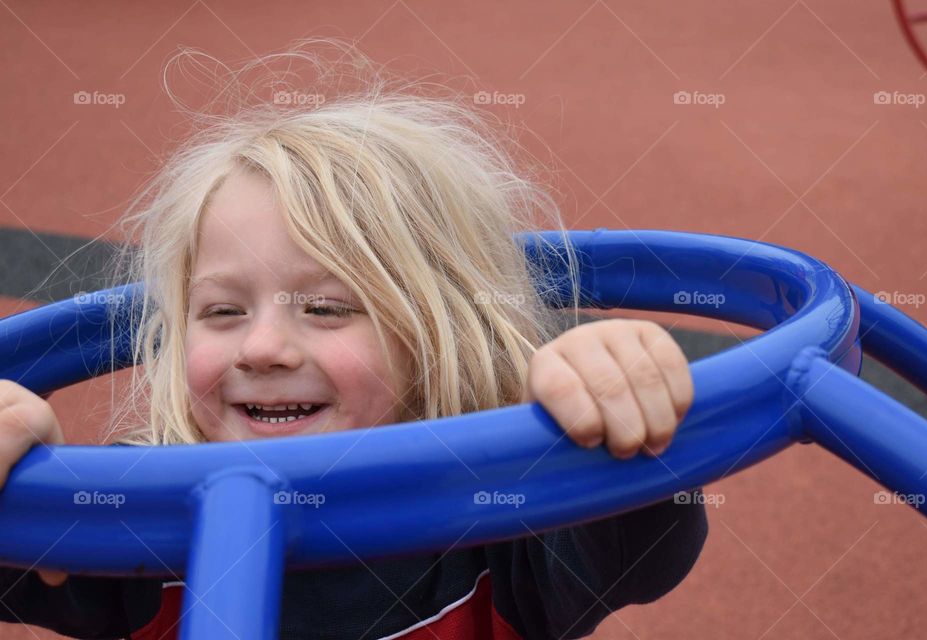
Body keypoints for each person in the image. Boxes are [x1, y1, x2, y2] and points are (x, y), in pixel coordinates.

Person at [0, 39, 707, 639]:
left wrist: (609, 402)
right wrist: (18, 461)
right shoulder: (139, 511)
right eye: (221, 312)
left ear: (437, 331)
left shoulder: (501, 521)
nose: (261, 348)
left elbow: (641, 547)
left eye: (326, 308)